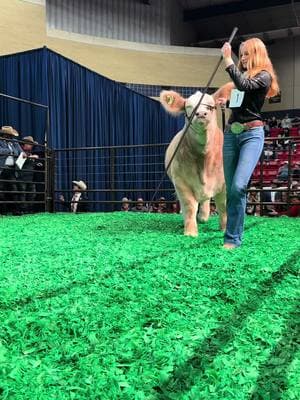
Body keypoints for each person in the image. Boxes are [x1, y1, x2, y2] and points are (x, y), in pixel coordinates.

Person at [215, 37, 279, 248]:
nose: (242, 57)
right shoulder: (242, 77)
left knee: (239, 186)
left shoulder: (264, 76)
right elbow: (239, 101)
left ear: (257, 54)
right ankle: (232, 237)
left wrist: (227, 59)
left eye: (245, 53)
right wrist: (227, 102)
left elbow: (244, 85)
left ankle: (233, 238)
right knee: (233, 189)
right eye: (240, 54)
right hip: (232, 134)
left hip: (252, 134)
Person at [0, 125, 23, 215]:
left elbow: (20, 152)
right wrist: (9, 151)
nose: (11, 137)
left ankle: (15, 210)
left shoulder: (14, 142)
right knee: (1, 189)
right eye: (9, 135)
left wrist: (22, 154)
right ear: (5, 135)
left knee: (14, 189)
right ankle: (3, 211)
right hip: (2, 168)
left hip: (12, 168)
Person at [17, 136, 41, 214]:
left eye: (31, 144)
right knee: (22, 194)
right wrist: (31, 157)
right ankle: (22, 210)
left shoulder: (29, 154)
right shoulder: (20, 152)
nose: (31, 146)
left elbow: (32, 163)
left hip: (30, 178)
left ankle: (29, 209)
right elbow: (18, 164)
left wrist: (36, 163)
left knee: (31, 194)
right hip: (21, 177)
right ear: (24, 145)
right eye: (29, 144)